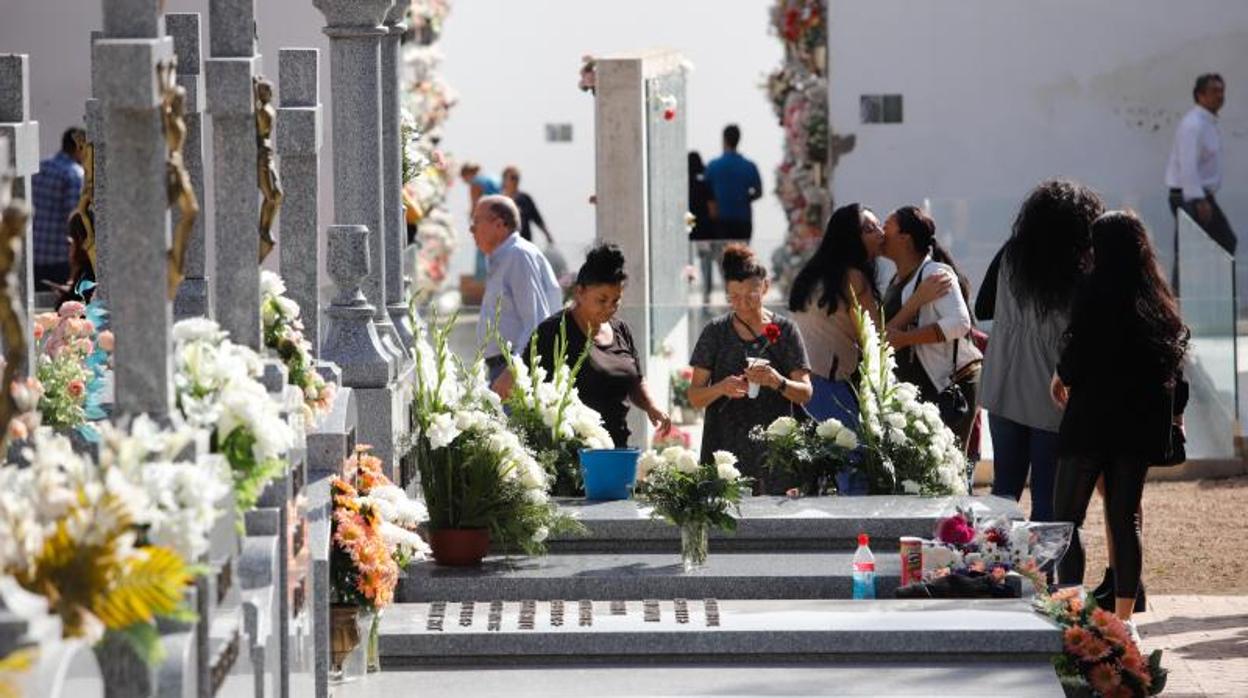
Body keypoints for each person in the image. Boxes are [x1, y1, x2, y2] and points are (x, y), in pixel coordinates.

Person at [1052, 211, 1188, 631]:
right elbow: (1174, 369)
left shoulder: (1090, 291)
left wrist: (1061, 378)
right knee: (1124, 518)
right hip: (1136, 425)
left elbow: (1074, 360)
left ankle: (1070, 611)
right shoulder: (1156, 296)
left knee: (1067, 520)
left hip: (1089, 421)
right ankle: (1126, 621)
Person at [979, 180, 1105, 522]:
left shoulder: (1010, 254)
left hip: (1003, 379)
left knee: (1004, 489)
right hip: (1052, 389)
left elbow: (983, 307)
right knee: (1048, 498)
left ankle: (994, 568)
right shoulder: (1082, 266)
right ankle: (1044, 573)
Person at [687, 244, 813, 493]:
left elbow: (806, 393)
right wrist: (722, 388)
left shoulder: (786, 331)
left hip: (776, 450)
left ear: (765, 287)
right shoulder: (715, 332)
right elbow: (694, 396)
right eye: (734, 297)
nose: (742, 304)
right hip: (725, 448)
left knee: (778, 522)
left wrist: (778, 381)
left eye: (751, 295)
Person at [521, 244, 669, 447]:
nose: (610, 308)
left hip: (617, 444)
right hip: (570, 452)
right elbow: (522, 386)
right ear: (579, 292)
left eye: (616, 300)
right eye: (602, 300)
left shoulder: (621, 330)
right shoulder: (553, 332)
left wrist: (651, 407)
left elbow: (635, 380)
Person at [880, 206, 982, 455]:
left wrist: (906, 339)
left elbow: (960, 323)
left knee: (949, 466)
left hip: (950, 384)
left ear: (904, 239)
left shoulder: (935, 274)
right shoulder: (896, 280)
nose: (882, 234)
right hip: (921, 385)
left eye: (887, 227)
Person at [471, 195, 561, 386]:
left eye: (476, 221)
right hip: (503, 369)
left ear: (500, 224)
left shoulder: (518, 255)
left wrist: (514, 370)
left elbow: (537, 321)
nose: (471, 229)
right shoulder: (504, 257)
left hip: (513, 372)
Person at [1166, 73, 1234, 289]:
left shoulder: (1208, 123)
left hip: (1200, 196)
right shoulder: (1193, 124)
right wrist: (1199, 199)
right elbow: (1188, 165)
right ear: (1200, 95)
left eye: (1222, 91)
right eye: (1214, 91)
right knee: (1191, 251)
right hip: (1190, 196)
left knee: (1217, 245)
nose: (1220, 96)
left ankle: (1204, 293)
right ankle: (1177, 302)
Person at [31, 127, 85, 292]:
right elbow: (74, 221)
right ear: (78, 147)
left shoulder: (41, 166)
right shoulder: (74, 174)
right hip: (60, 258)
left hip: (35, 253)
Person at [704, 125, 762, 242]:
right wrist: (745, 198)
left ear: (724, 139)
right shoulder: (749, 166)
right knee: (741, 256)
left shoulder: (713, 166)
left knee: (723, 256)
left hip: (720, 219)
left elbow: (706, 192)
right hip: (743, 218)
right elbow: (759, 192)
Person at [687, 151, 718, 304]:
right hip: (705, 229)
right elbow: (712, 209)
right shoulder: (704, 185)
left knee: (689, 261)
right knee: (706, 263)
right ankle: (707, 294)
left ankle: (688, 289)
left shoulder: (684, 186)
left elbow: (685, 212)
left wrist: (688, 227)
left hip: (690, 228)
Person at [461, 162, 501, 280]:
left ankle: (482, 280)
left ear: (467, 174)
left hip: (486, 219)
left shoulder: (475, 183)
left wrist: (472, 220)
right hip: (501, 218)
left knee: (482, 249)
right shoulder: (493, 178)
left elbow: (475, 205)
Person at [500, 166, 552, 245]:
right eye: (513, 177)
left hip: (524, 242)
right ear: (504, 180)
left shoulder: (525, 198)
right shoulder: (498, 201)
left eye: (517, 178)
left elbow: (537, 218)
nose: (516, 181)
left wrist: (547, 235)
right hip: (505, 244)